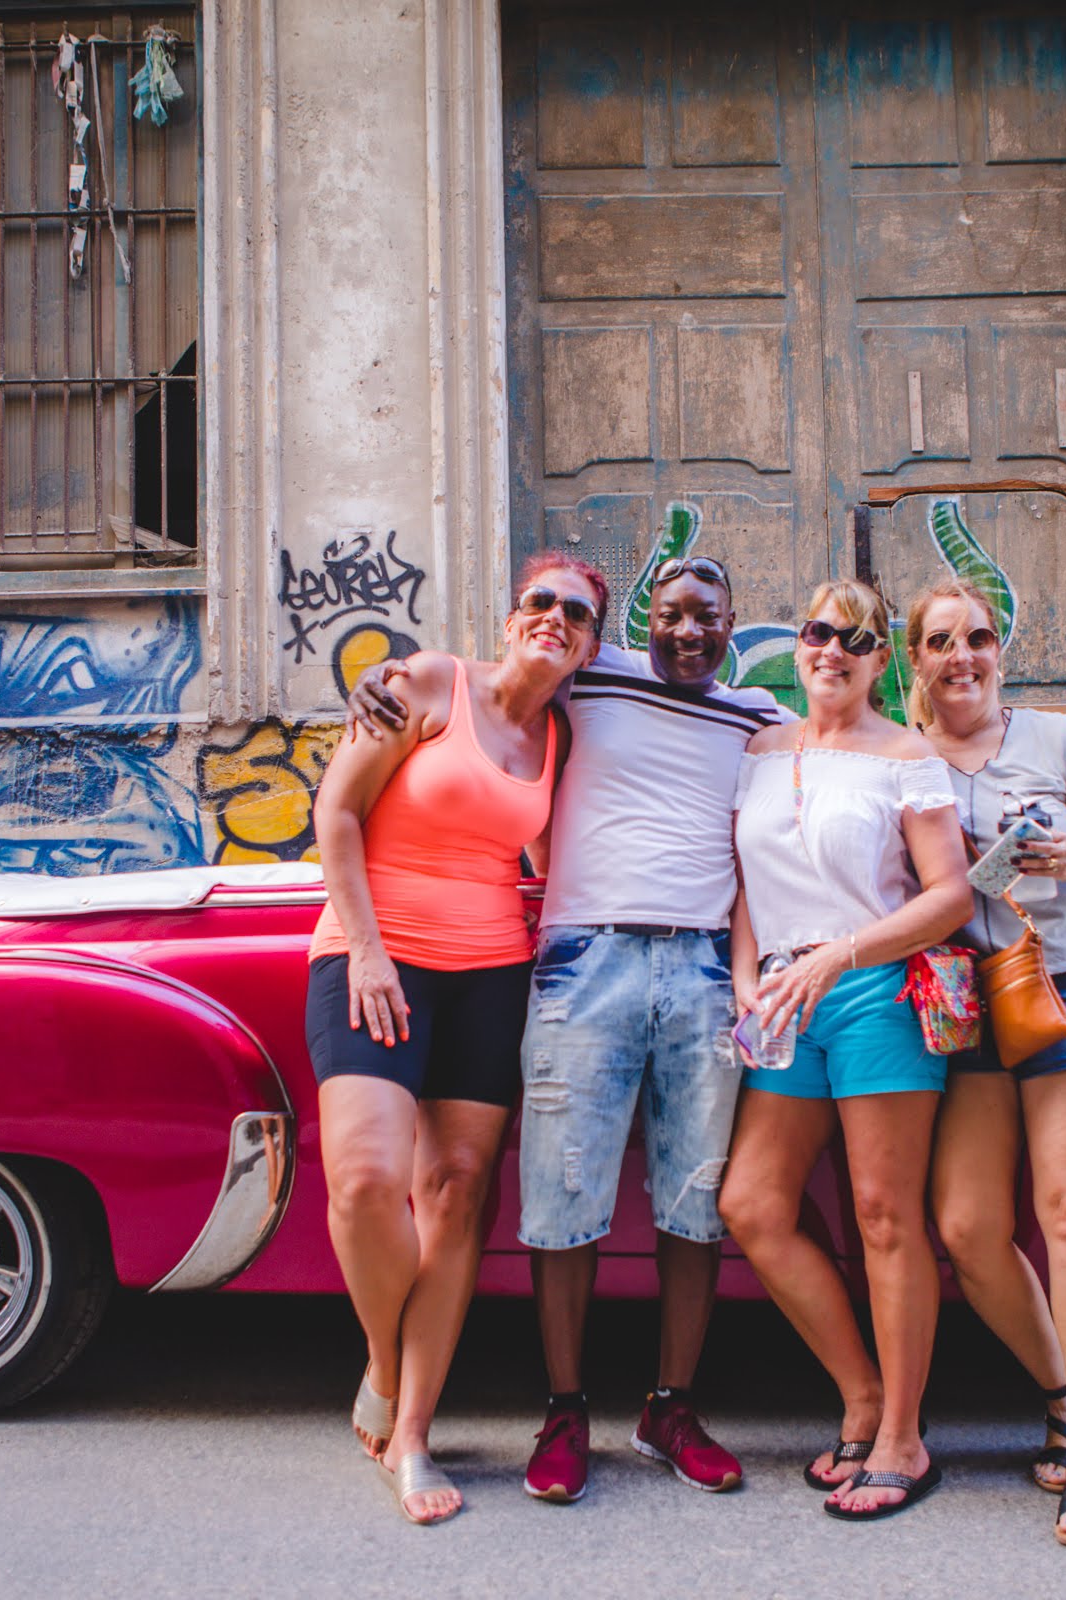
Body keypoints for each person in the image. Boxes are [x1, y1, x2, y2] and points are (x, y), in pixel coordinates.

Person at [348, 553, 784, 1505]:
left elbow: (851, 753)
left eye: (708, 616)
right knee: (561, 1195)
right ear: (639, 622)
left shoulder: (763, 720)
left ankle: (671, 1408)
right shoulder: (589, 675)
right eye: (670, 614)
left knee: (694, 1199)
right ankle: (564, 1410)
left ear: (731, 623)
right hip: (583, 960)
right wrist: (371, 678)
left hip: (706, 968)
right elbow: (483, 681)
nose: (689, 631)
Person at [306, 555, 602, 1525]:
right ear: (512, 617)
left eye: (577, 614)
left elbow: (559, 862)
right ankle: (387, 1367)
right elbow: (337, 813)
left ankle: (414, 1433)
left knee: (456, 1195)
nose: (555, 619)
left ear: (590, 645)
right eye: (541, 602)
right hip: (372, 958)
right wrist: (367, 949)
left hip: (490, 976)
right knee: (361, 1179)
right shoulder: (429, 681)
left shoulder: (561, 734)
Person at [901, 576, 1066, 1549]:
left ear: (999, 648)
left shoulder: (1054, 739)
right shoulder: (904, 757)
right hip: (968, 995)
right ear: (913, 659)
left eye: (975, 638)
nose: (959, 656)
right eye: (938, 642)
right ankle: (1060, 1388)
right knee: (967, 1227)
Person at [716, 578, 972, 1521]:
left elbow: (947, 895)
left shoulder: (905, 759)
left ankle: (903, 1436)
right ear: (801, 644)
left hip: (876, 988)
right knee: (752, 1204)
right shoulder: (759, 748)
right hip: (783, 995)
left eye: (858, 639)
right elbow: (746, 878)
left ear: (879, 660)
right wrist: (748, 972)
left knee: (882, 1216)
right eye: (820, 631)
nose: (833, 649)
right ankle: (860, 1393)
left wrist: (842, 955)